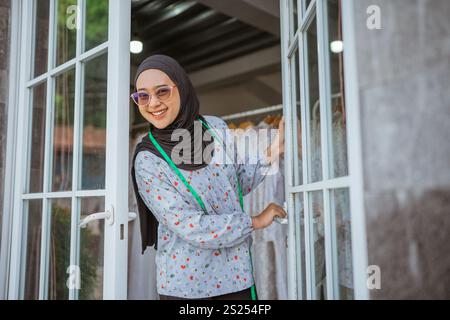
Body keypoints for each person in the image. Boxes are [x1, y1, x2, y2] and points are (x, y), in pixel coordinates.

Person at [130, 54, 287, 300]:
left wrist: (272, 153)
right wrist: (254, 221)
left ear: (181, 88)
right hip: (188, 286)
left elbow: (233, 185)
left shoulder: (214, 128)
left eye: (162, 91)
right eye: (142, 95)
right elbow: (189, 225)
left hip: (236, 274)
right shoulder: (148, 160)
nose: (152, 103)